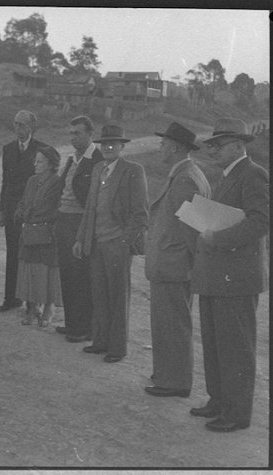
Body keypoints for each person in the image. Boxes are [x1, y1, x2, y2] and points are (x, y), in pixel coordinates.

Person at [190, 118, 268, 432]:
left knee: (235, 346)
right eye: (212, 144)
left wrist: (218, 238)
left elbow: (261, 221)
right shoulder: (227, 176)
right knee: (215, 342)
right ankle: (220, 400)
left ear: (238, 145)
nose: (213, 149)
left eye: (219, 145)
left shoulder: (254, 174)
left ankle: (237, 414)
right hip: (218, 274)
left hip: (236, 276)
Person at [144, 122, 211, 398]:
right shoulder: (187, 173)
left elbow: (192, 230)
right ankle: (168, 375)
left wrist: (196, 268)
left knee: (173, 324)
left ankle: (175, 381)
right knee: (169, 322)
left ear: (174, 147)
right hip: (172, 264)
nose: (160, 148)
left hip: (174, 265)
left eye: (163, 144)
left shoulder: (185, 178)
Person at [73, 122, 148, 363]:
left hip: (117, 244)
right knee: (99, 294)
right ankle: (100, 341)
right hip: (96, 242)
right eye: (105, 143)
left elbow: (141, 215)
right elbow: (90, 209)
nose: (108, 147)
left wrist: (124, 242)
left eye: (113, 143)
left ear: (122, 146)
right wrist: (80, 239)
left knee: (117, 296)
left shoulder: (133, 170)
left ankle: (117, 348)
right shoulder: (97, 169)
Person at [53, 116, 103, 342]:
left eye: (78, 133)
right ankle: (72, 323)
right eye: (71, 133)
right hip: (64, 221)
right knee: (67, 275)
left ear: (90, 134)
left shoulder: (97, 160)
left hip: (81, 223)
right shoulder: (72, 159)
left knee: (81, 277)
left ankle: (84, 328)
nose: (73, 137)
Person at [0, 110, 49, 312]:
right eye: (16, 124)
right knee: (12, 253)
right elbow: (5, 182)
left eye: (22, 125)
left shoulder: (42, 150)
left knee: (31, 255)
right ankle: (11, 299)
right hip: (12, 211)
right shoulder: (8, 149)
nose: (18, 129)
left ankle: (32, 303)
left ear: (31, 128)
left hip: (32, 211)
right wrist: (2, 210)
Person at [14, 146, 63, 326]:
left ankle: (48, 308)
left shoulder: (57, 182)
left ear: (50, 164)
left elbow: (53, 208)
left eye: (40, 161)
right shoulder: (32, 181)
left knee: (47, 271)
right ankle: (33, 307)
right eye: (35, 160)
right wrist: (20, 213)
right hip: (29, 232)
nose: (35, 164)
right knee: (30, 270)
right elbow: (23, 201)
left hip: (46, 233)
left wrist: (32, 216)